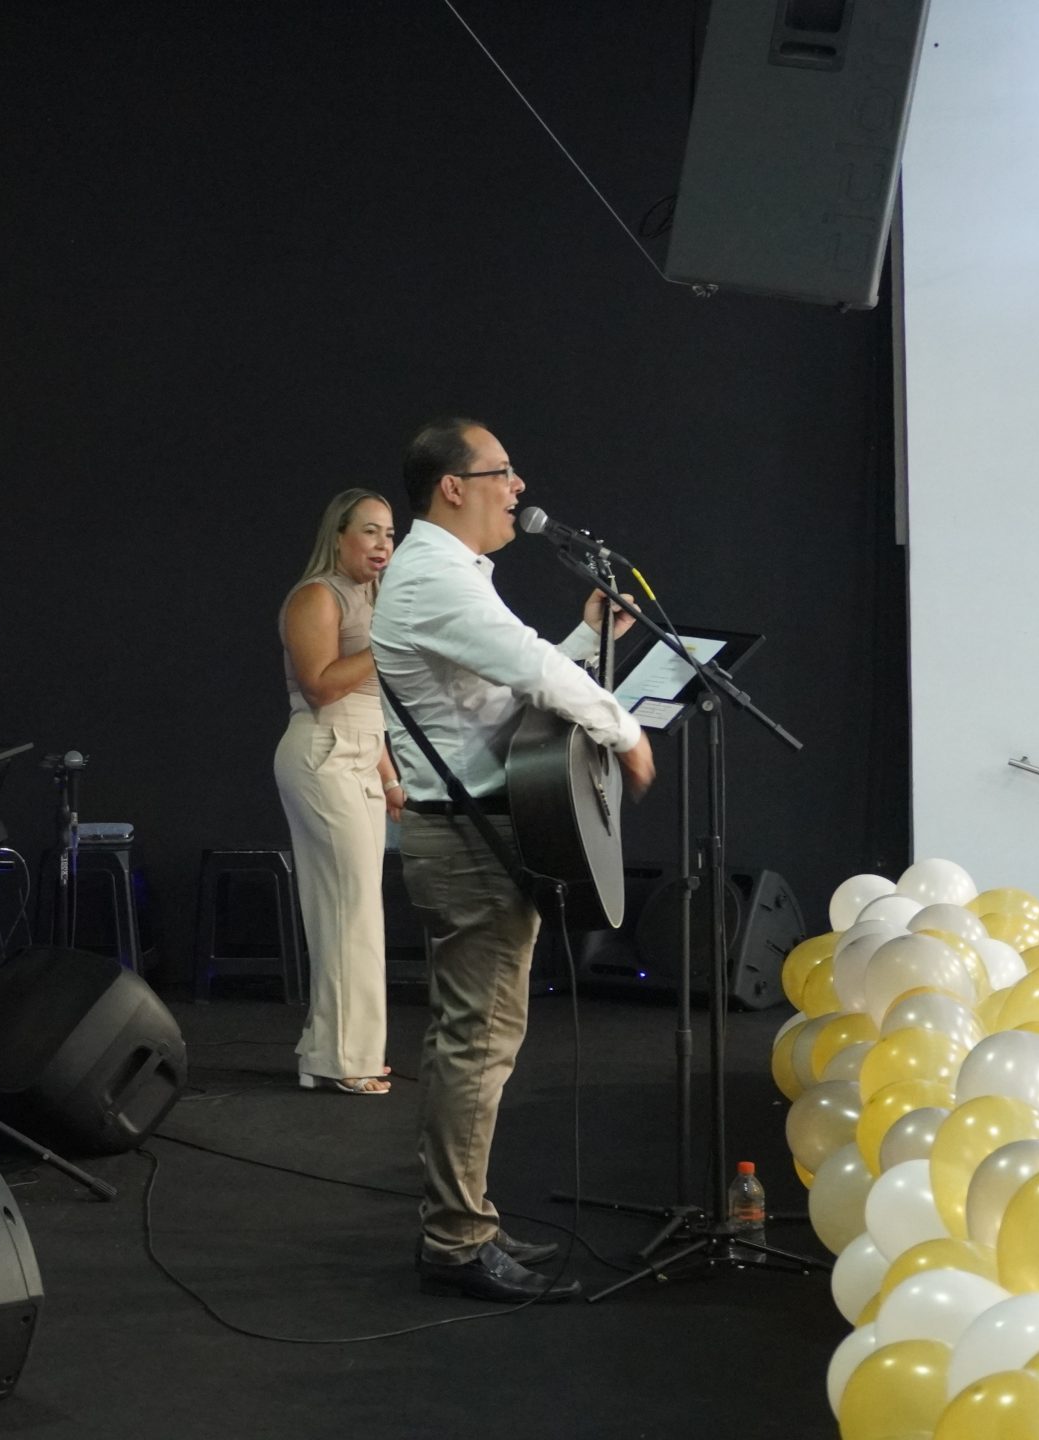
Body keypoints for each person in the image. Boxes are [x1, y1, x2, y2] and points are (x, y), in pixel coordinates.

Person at [371, 416, 654, 1305]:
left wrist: (588, 642)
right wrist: (626, 730)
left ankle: (465, 1223)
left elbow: (502, 694)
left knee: (476, 1040)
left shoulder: (450, 575)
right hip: (468, 842)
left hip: (478, 834)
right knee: (477, 1045)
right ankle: (456, 1240)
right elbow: (528, 672)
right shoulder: (432, 574)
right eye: (501, 472)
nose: (518, 487)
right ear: (452, 486)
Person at [276, 488, 401, 1095]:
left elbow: (369, 712)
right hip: (321, 752)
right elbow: (322, 687)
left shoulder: (377, 601)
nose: (384, 545)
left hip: (360, 753)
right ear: (340, 535)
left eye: (390, 534)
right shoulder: (317, 595)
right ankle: (345, 1057)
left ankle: (327, 1052)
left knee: (351, 907)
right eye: (371, 531)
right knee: (351, 908)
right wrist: (389, 647)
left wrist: (389, 777)